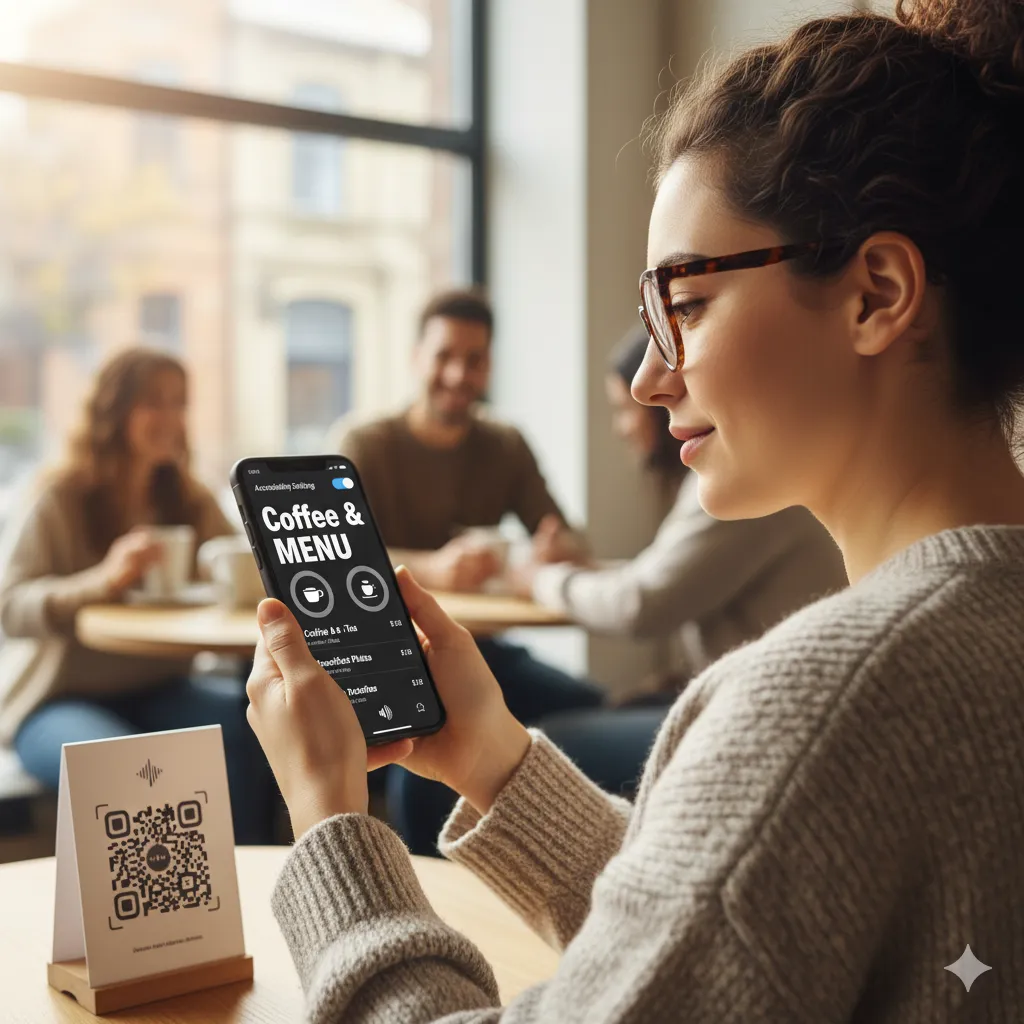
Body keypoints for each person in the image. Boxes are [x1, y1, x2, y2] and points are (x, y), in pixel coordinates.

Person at [245, 0, 1024, 1018]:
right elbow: (747, 940)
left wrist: (328, 829)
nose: (652, 378)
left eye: (683, 304)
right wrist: (497, 763)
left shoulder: (828, 699)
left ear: (876, 291)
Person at [331, 288, 604, 852]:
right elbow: (341, 561)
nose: (458, 374)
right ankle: (432, 876)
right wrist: (436, 568)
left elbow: (566, 533)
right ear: (416, 358)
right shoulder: (366, 443)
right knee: (428, 739)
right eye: (444, 356)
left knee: (591, 707)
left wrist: (557, 547)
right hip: (381, 660)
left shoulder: (504, 445)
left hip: (480, 651)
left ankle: (559, 860)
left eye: (474, 360)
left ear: (489, 367)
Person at [525, 325, 846, 796]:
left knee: (530, 746)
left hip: (761, 727)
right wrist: (579, 573)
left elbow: (643, 604)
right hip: (749, 706)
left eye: (624, 411)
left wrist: (541, 579)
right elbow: (663, 577)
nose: (623, 424)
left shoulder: (739, 479)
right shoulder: (728, 476)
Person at [0, 348, 277, 844]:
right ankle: (176, 914)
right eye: (154, 401)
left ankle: (251, 875)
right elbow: (10, 607)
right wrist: (103, 579)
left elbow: (240, 564)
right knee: (131, 768)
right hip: (57, 700)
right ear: (114, 409)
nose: (171, 417)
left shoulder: (189, 498)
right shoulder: (62, 497)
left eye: (180, 403)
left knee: (256, 726)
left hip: (160, 689)